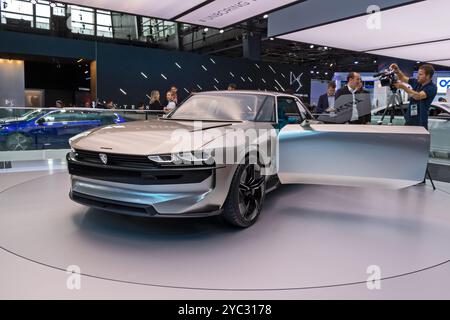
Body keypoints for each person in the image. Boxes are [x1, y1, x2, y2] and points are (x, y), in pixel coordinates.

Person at [390, 63, 437, 130]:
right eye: (418, 74)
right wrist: (397, 70)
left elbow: (418, 96)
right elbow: (403, 78)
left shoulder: (432, 87)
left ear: (428, 76)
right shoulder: (417, 82)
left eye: (420, 74)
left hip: (420, 123)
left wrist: (403, 87)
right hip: (409, 120)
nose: (418, 76)